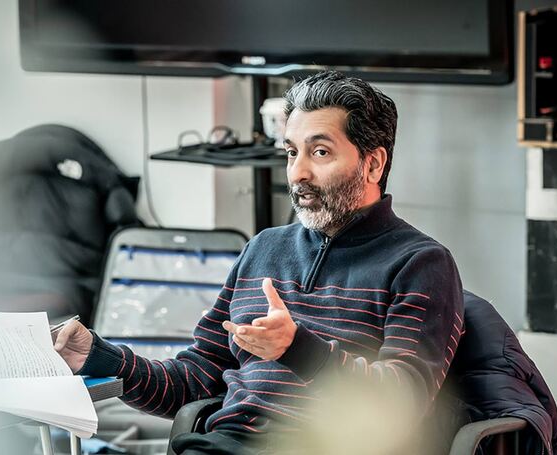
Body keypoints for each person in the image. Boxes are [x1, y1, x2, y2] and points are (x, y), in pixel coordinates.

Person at [54, 71, 464, 454]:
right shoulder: (264, 249)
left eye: (320, 152)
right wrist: (98, 356)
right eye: (291, 152)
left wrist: (296, 347)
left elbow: (401, 406)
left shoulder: (421, 263)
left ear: (372, 163)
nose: (297, 172)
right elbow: (194, 382)